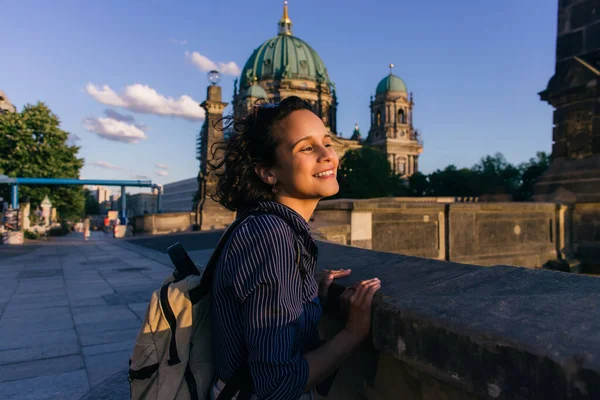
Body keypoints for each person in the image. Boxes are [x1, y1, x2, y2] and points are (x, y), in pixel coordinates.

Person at [209, 96, 381, 400]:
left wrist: (308, 295)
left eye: (327, 142)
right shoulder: (271, 236)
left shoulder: (265, 225)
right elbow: (277, 385)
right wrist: (353, 333)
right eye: (306, 147)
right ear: (268, 172)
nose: (328, 155)